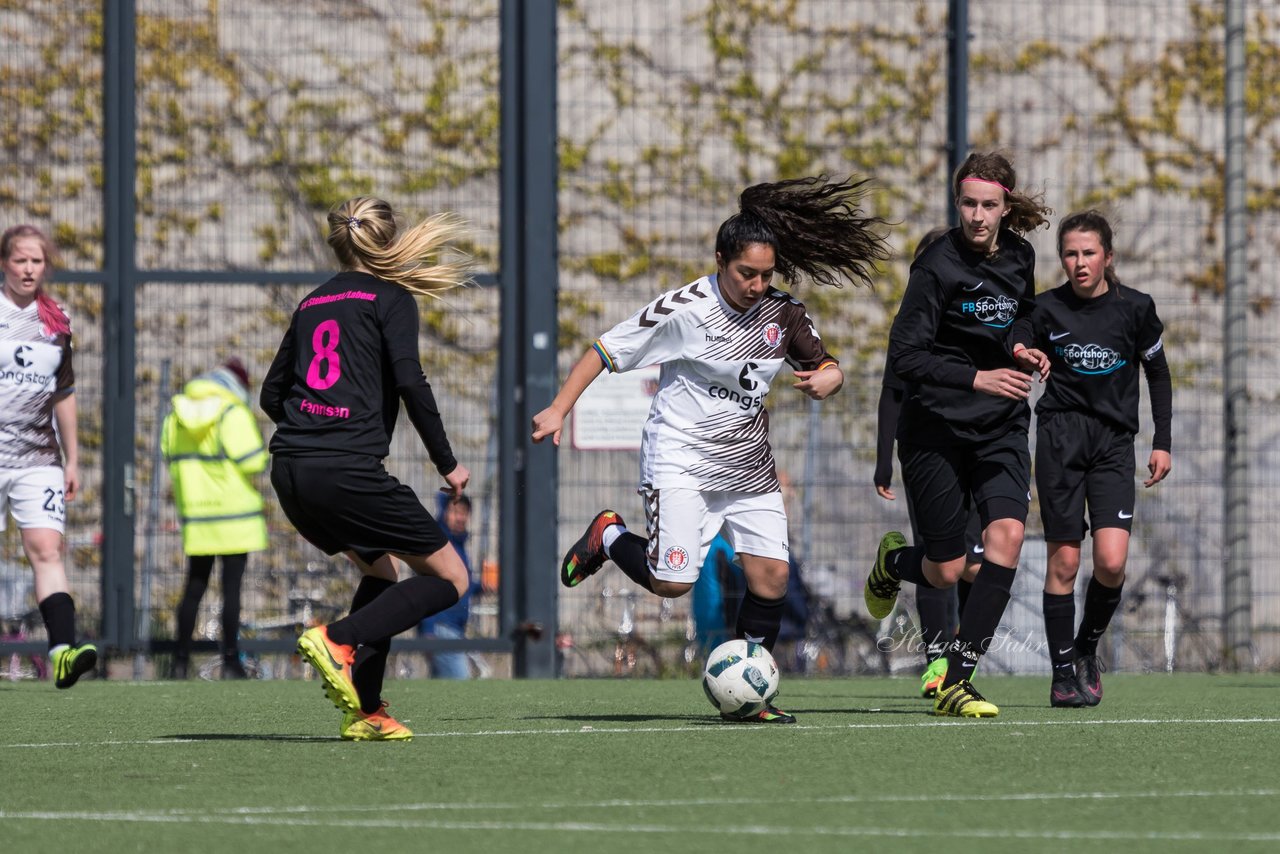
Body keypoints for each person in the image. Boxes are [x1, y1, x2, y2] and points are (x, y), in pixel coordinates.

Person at [532, 175, 891, 723]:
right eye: (747, 272)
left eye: (766, 274)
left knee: (770, 579)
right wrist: (559, 408)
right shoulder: (684, 308)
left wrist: (829, 378)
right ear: (720, 259)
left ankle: (752, 694)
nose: (756, 283)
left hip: (748, 463)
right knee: (673, 582)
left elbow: (826, 364)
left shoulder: (783, 313)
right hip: (681, 458)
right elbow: (606, 349)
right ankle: (608, 535)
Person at [260, 196, 472, 741]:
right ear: (385, 239)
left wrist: (313, 427)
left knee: (382, 573)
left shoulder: (311, 303)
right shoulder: (391, 298)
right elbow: (410, 381)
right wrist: (447, 463)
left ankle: (368, 710)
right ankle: (339, 639)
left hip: (290, 471)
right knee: (450, 578)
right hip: (346, 473)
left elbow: (271, 393)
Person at [864, 152, 1053, 718]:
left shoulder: (1021, 255)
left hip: (1001, 425)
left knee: (1007, 539)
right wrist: (977, 376)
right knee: (945, 569)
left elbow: (1021, 314)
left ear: (1006, 206)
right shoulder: (936, 266)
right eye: (968, 203)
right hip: (935, 428)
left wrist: (1021, 346)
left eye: (988, 205)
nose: (977, 215)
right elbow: (905, 355)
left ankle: (959, 680)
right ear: (957, 204)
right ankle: (893, 564)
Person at [1027, 210, 1171, 708]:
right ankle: (1062, 673)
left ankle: (1086, 646)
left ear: (1107, 258)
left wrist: (1162, 440)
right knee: (1064, 561)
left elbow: (1158, 375)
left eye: (1089, 253)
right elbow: (1012, 341)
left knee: (1110, 562)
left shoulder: (1136, 308)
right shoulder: (1044, 309)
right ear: (1062, 259)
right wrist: (1026, 352)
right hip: (1060, 441)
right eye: (1070, 253)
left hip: (1112, 445)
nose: (1079, 262)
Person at [873, 226, 981, 699]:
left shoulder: (984, 318)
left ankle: (964, 657)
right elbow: (891, 393)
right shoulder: (912, 328)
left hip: (983, 447)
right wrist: (882, 461)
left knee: (981, 559)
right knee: (944, 556)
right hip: (929, 448)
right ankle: (939, 661)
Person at [0, 225, 96, 688]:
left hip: (38, 457)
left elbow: (64, 393)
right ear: (5, 263)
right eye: (20, 260)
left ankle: (62, 651)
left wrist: (72, 459)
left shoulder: (56, 320)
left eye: (36, 261)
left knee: (46, 548)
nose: (28, 269)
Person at [161, 356, 268, 680]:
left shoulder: (176, 414)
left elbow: (168, 453)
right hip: (235, 515)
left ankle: (179, 661)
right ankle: (231, 662)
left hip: (197, 513)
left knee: (194, 588)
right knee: (231, 590)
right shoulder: (231, 412)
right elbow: (253, 462)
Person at [417, 493, 483, 679]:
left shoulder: (458, 544)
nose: (460, 517)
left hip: (453, 628)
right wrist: (429, 631)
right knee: (460, 684)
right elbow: (427, 587)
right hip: (440, 627)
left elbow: (459, 584)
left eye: (464, 513)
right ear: (444, 512)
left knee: (441, 689)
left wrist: (481, 586)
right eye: (455, 512)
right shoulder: (439, 544)